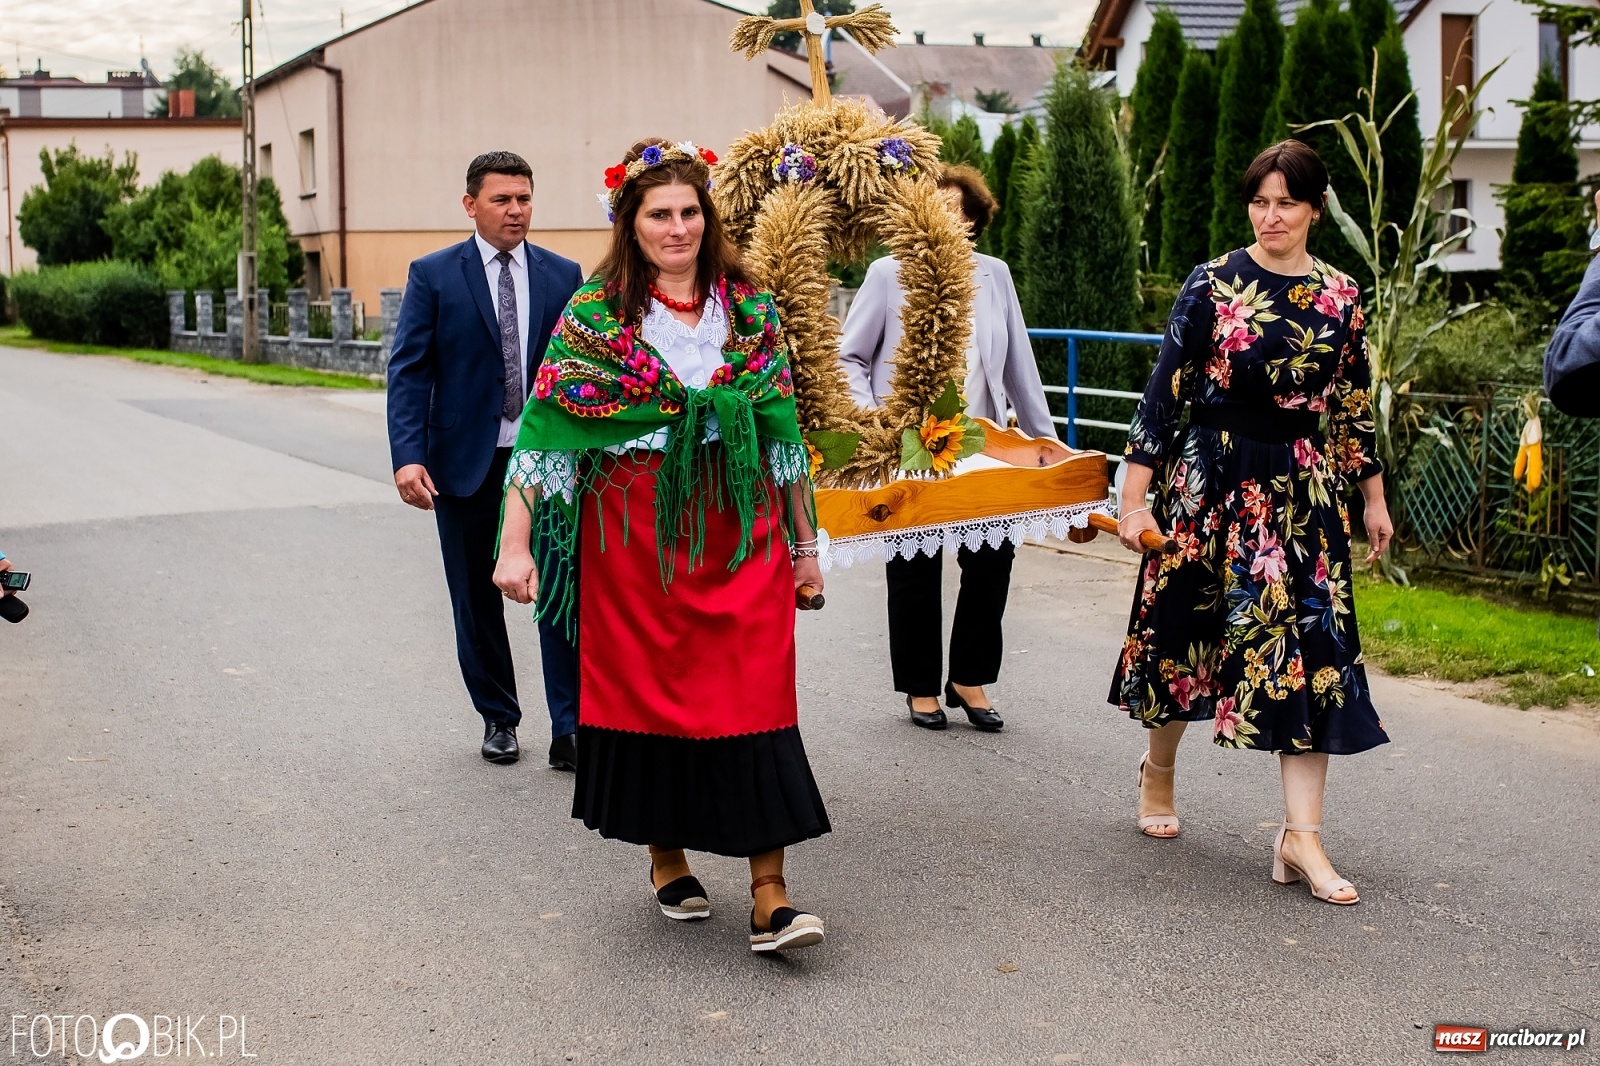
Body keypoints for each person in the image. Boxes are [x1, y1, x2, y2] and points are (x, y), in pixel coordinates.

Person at [492, 139, 831, 953]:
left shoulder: (750, 308)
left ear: (707, 218)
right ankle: (666, 857)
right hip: (635, 537)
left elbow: (782, 432)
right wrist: (516, 544)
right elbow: (548, 436)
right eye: (659, 214)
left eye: (689, 212)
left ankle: (771, 893)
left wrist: (805, 547)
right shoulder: (595, 315)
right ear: (631, 223)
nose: (677, 227)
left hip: (739, 524)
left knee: (755, 696)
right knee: (651, 698)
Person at [1109, 140, 1394, 906]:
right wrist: (1133, 500)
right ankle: (1159, 772)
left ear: (1315, 207)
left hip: (1301, 491)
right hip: (1212, 479)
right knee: (1184, 633)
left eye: (1287, 203)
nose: (1271, 216)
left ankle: (1301, 837)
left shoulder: (1342, 296)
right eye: (1260, 201)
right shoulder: (1213, 283)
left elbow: (1353, 405)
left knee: (1310, 648)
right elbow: (1163, 393)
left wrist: (1372, 495)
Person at [839, 164, 1056, 733]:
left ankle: (969, 677)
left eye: (958, 212)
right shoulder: (888, 274)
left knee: (993, 560)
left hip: (984, 440)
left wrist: (1051, 449)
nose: (947, 222)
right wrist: (874, 421)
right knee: (914, 564)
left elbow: (1020, 370)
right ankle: (920, 688)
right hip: (911, 444)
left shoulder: (996, 276)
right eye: (935, 211)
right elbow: (850, 358)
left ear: (975, 221)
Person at [387, 152, 585, 768]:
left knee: (560, 589)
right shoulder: (434, 275)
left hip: (549, 461)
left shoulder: (562, 274)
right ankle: (499, 717)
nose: (516, 210)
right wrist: (408, 456)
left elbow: (582, 370)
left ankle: (571, 727)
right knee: (476, 597)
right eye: (502, 200)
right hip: (465, 462)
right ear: (471, 204)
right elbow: (409, 370)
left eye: (524, 198)